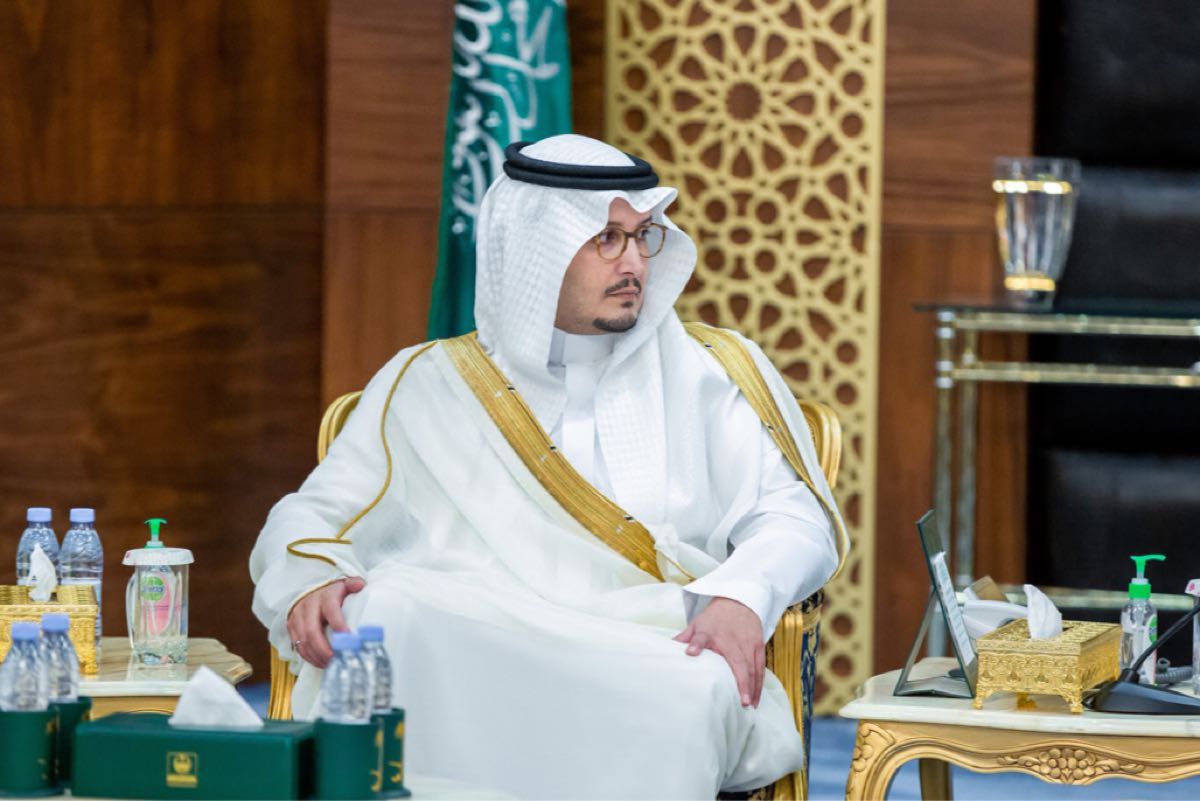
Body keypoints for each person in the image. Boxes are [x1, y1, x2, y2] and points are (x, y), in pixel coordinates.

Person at [250, 134, 848, 798]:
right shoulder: (434, 382)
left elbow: (793, 518)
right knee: (387, 608)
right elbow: (313, 514)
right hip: (486, 637)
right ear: (535, 251)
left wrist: (742, 596)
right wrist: (310, 578)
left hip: (647, 645)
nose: (634, 263)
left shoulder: (710, 373)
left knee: (693, 688)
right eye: (606, 239)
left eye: (642, 236)